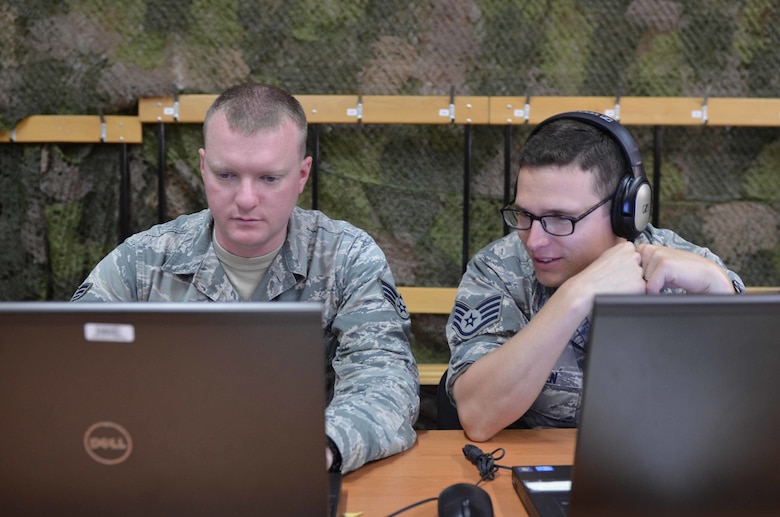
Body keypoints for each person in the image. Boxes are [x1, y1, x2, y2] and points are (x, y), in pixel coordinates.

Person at [71, 83, 420, 473]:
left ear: (302, 174)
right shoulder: (144, 261)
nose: (246, 199)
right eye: (227, 175)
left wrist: (317, 447)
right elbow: (71, 368)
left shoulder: (347, 259)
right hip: (163, 473)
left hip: (298, 474)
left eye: (269, 178)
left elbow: (386, 386)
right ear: (203, 167)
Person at [445, 111, 745, 442]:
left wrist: (719, 290)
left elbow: (750, 416)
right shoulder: (499, 270)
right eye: (524, 215)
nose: (534, 240)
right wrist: (576, 296)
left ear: (625, 210)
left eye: (560, 218)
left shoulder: (691, 273)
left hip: (671, 473)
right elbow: (477, 416)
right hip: (539, 472)